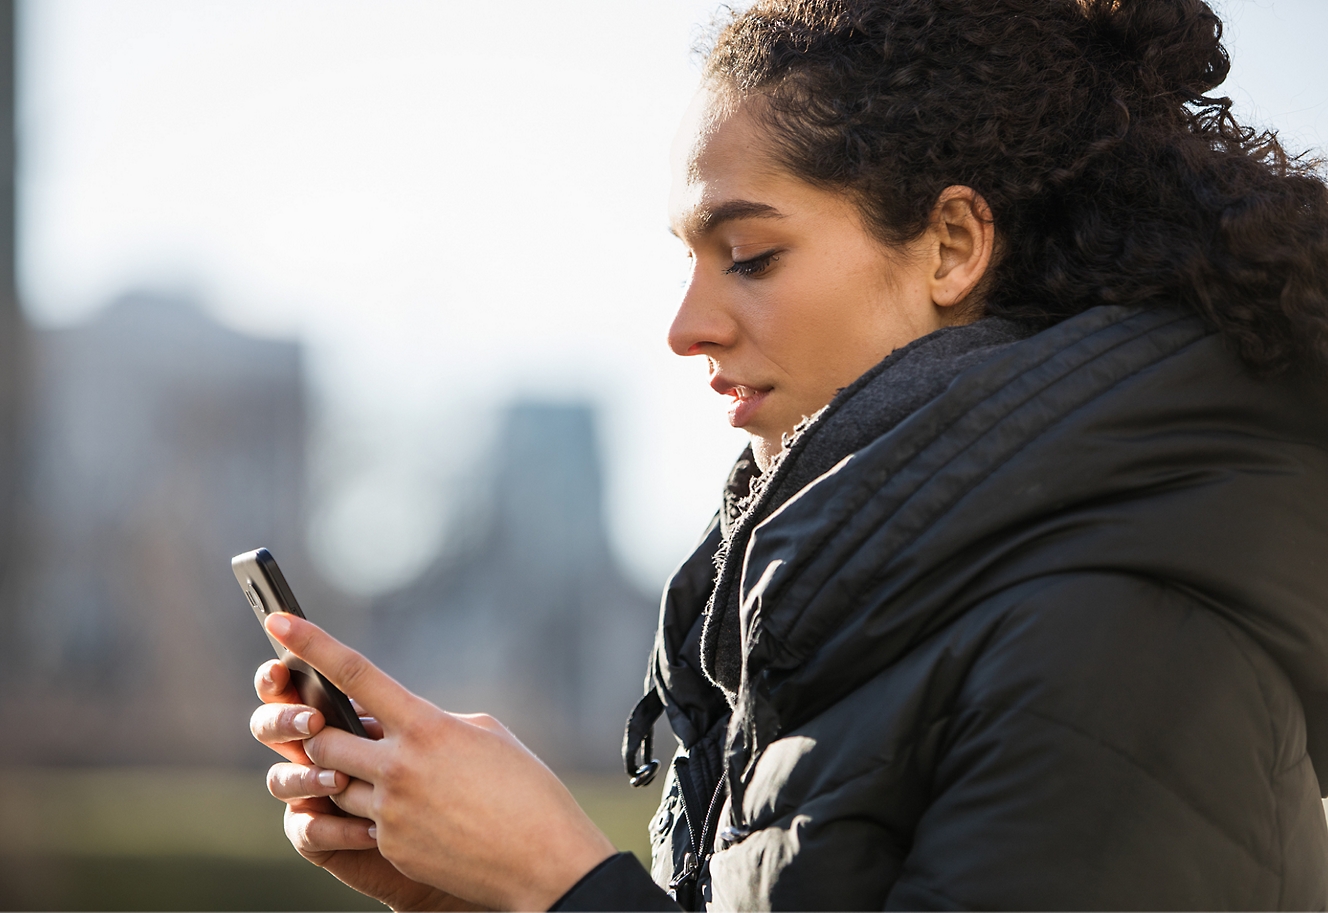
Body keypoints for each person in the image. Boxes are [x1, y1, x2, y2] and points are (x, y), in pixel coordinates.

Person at [249, 0, 1328, 908]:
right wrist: (479, 892)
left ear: (951, 245)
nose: (684, 326)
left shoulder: (1113, 641)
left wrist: (560, 882)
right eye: (689, 260)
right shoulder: (859, 596)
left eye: (750, 256)